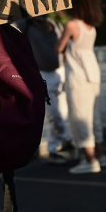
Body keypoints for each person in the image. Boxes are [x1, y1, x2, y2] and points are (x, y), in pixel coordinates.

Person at [56, 0, 106, 174]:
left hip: (77, 75)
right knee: (94, 118)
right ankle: (100, 156)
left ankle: (90, 160)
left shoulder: (72, 25)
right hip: (93, 72)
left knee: (79, 117)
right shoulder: (90, 27)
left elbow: (58, 47)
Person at [21, 15, 75, 163]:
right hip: (41, 75)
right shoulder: (27, 24)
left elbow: (63, 48)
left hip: (59, 73)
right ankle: (69, 141)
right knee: (54, 115)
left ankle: (52, 150)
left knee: (60, 115)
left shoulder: (55, 24)